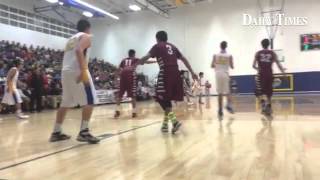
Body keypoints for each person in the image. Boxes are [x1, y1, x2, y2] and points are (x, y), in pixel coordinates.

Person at [49, 19, 100, 144]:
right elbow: (78, 50)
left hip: (65, 72)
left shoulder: (71, 39)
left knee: (65, 102)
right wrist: (83, 70)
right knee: (90, 100)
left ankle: (56, 132)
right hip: (78, 70)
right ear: (88, 28)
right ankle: (84, 132)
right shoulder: (86, 36)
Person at [139, 31, 198, 134]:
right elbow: (184, 59)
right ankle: (165, 125)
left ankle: (174, 122)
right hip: (176, 73)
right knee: (167, 101)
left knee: (160, 98)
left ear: (157, 38)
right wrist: (192, 72)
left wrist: (139, 61)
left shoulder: (157, 46)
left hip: (165, 73)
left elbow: (146, 57)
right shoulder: (173, 46)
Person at [253, 39, 286, 116]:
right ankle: (269, 107)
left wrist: (258, 69)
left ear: (262, 45)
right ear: (269, 44)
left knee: (258, 92)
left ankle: (263, 104)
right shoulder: (273, 53)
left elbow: (253, 65)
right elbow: (278, 64)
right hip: (269, 74)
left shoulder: (257, 53)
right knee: (269, 93)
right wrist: (283, 73)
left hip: (260, 74)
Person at [211, 41, 234, 117]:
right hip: (225, 73)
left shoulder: (215, 55)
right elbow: (232, 66)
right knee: (228, 92)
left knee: (220, 93)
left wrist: (217, 65)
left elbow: (212, 65)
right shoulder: (229, 55)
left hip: (218, 74)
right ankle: (229, 105)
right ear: (226, 46)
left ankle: (220, 110)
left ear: (220, 46)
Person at [114, 50, 139, 118]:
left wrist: (116, 79)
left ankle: (117, 111)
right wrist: (155, 61)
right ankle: (134, 112)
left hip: (122, 76)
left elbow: (118, 69)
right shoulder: (135, 59)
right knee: (133, 96)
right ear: (134, 54)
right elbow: (145, 61)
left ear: (128, 54)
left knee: (120, 95)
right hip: (130, 76)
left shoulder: (123, 60)